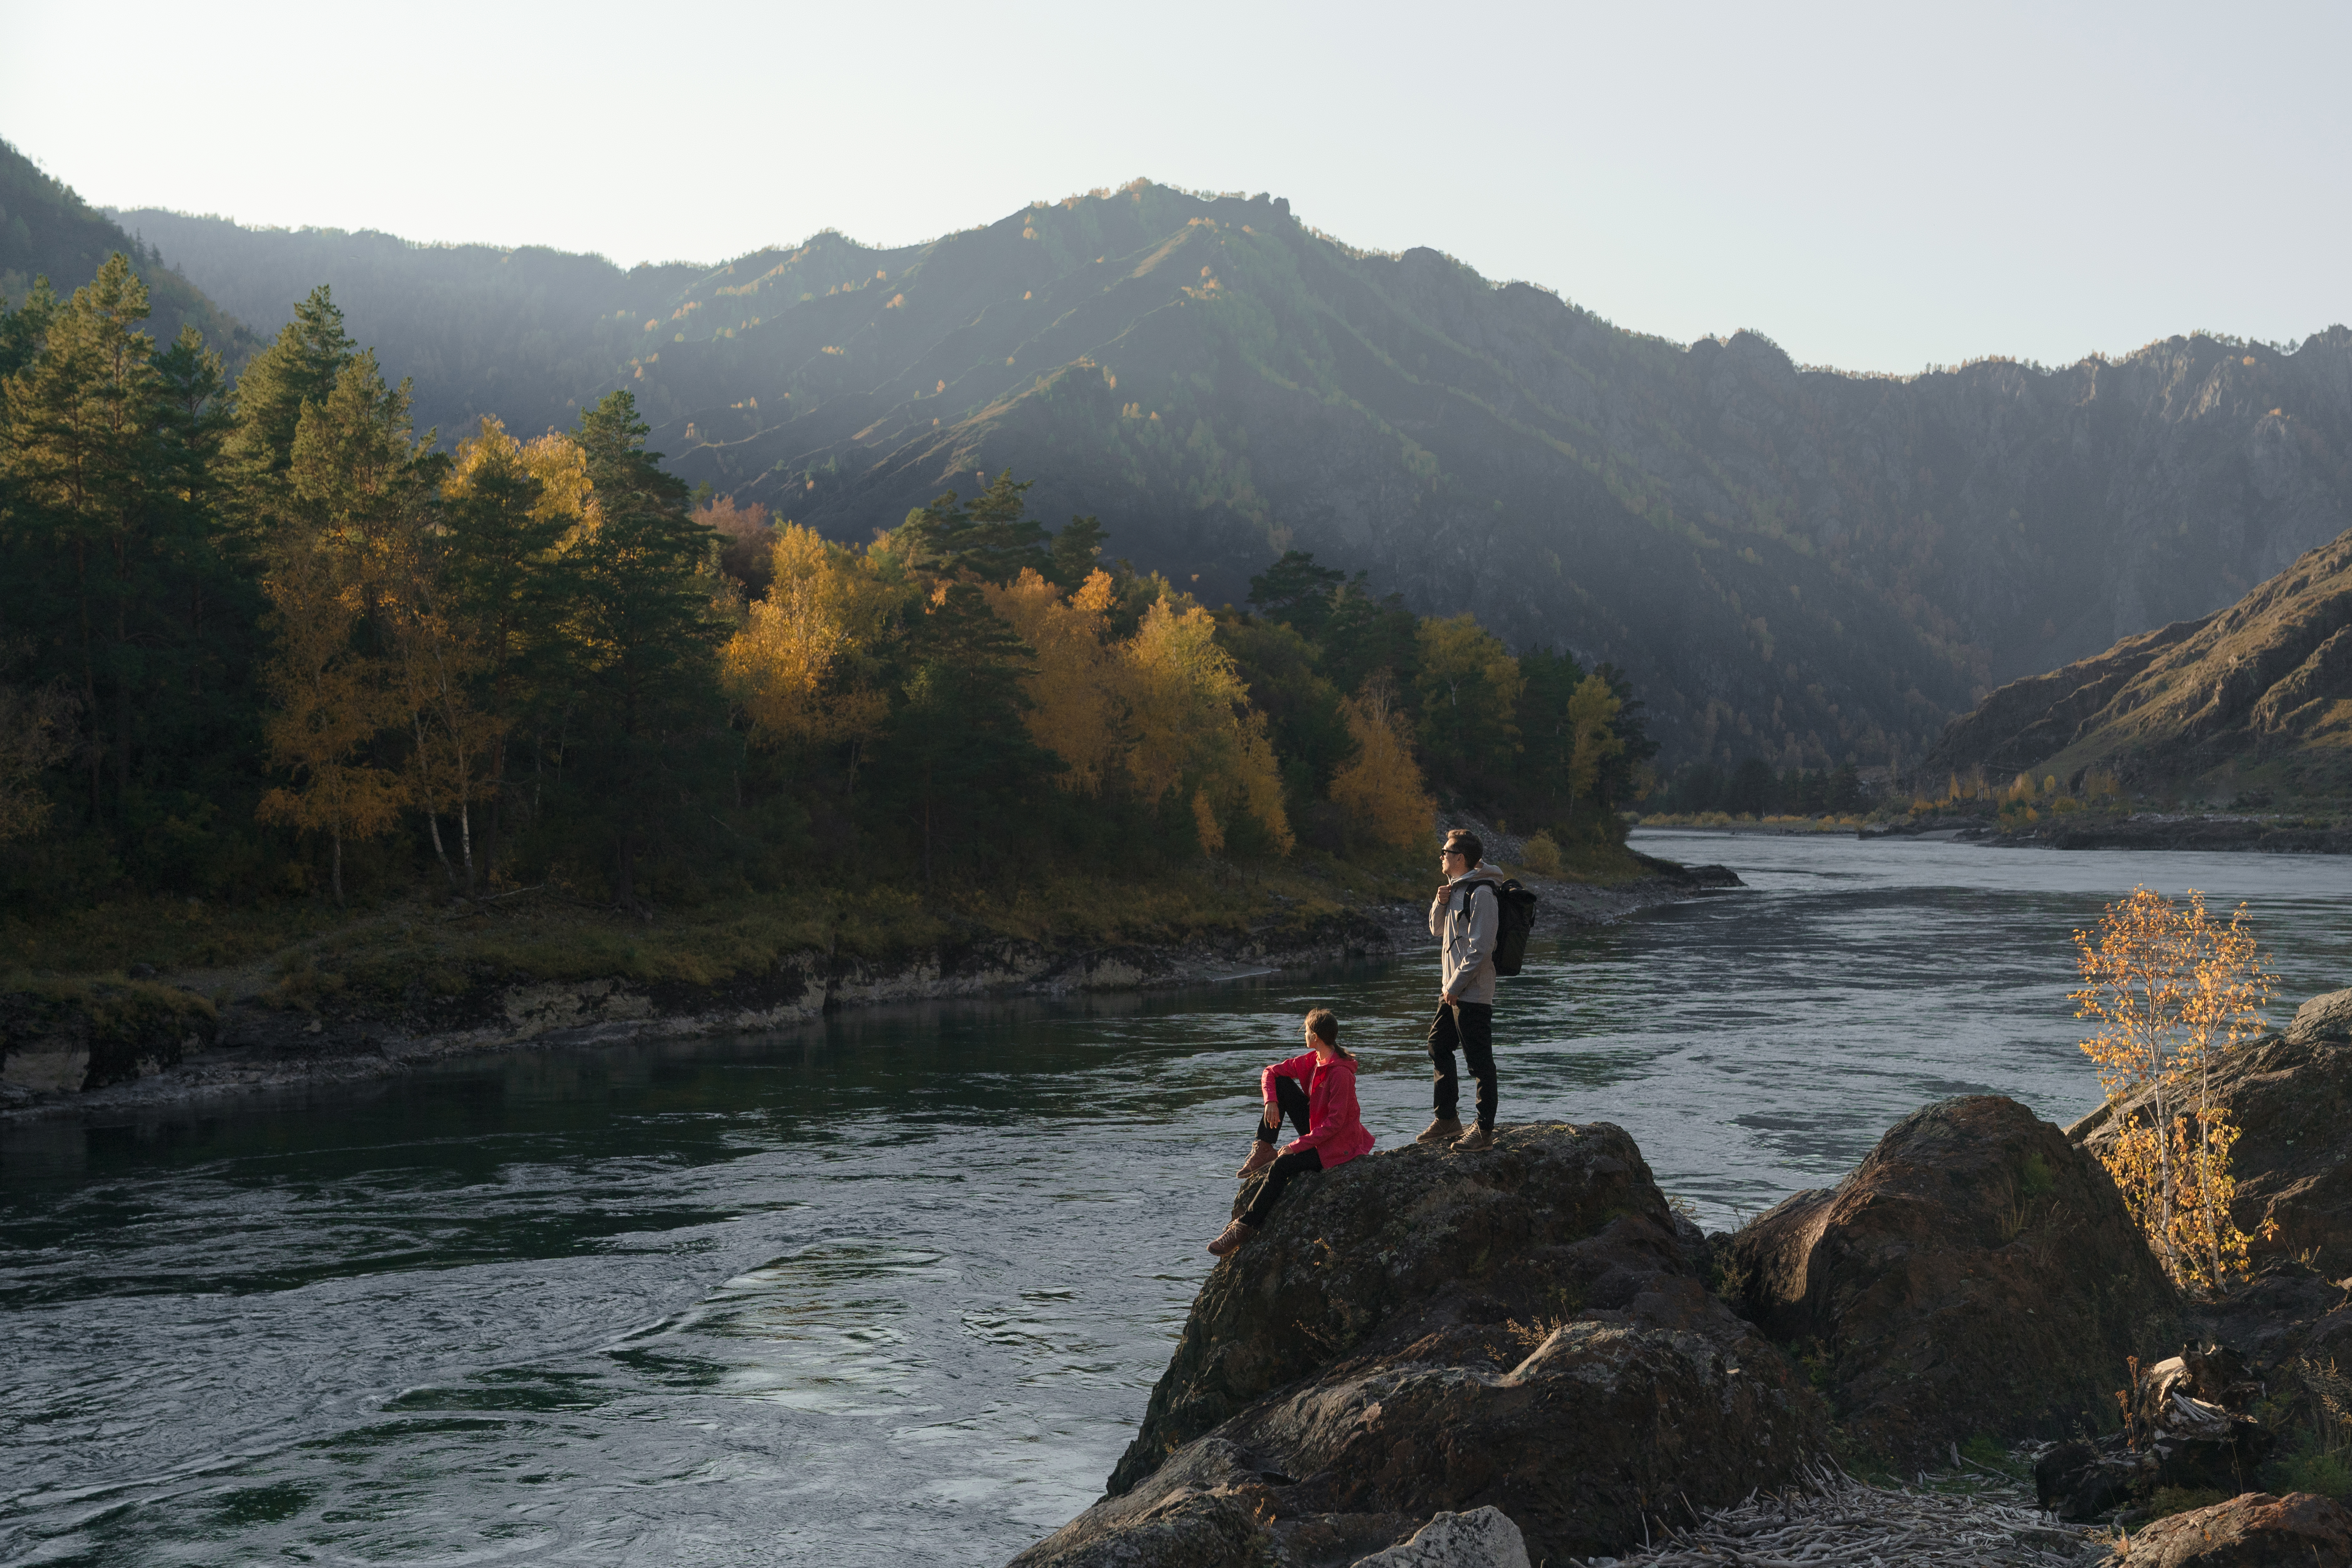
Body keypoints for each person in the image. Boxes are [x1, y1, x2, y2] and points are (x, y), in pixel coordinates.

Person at [1208, 1008, 1374, 1255]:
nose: (1304, 1034)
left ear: (1316, 1036)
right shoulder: (1314, 1060)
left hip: (1339, 1145)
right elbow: (1270, 1072)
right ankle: (1264, 1147)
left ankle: (1244, 1228)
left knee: (1282, 1166)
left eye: (1306, 1030)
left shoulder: (1340, 1074)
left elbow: (1337, 1123)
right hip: (1320, 1130)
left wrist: (1298, 1145)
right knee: (1281, 1083)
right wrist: (1271, 1102)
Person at [1420, 828, 1505, 1152]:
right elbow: (1437, 929)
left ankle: (1484, 1131)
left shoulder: (1482, 893)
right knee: (1438, 1046)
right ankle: (1447, 1119)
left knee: (1480, 1062)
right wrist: (1439, 901)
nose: (1441, 856)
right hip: (1453, 990)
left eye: (1445, 852)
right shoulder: (1455, 889)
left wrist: (1455, 986)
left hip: (1471, 992)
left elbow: (1482, 948)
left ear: (1460, 858)